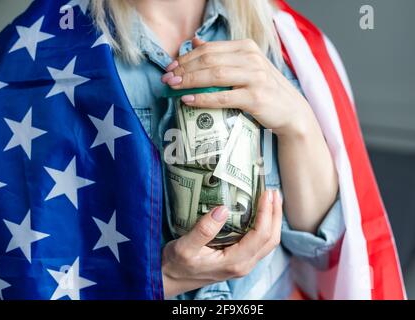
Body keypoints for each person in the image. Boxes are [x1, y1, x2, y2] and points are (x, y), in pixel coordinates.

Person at [92, 0, 343, 299]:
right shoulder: (52, 54)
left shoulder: (291, 41)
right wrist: (165, 278)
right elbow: (39, 273)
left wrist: (299, 124)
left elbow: (318, 250)